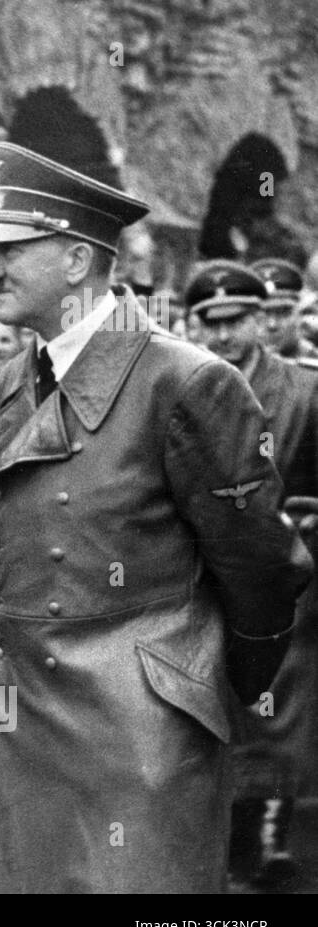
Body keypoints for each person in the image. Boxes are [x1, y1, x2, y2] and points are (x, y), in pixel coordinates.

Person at [0, 141, 311, 892]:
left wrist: (193, 688)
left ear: (76, 262)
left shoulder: (186, 383)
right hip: (25, 723)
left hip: (138, 740)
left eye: (10, 250)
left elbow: (264, 567)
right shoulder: (12, 384)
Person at [185, 260, 318, 888]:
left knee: (276, 706)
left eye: (235, 320)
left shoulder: (303, 390)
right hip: (198, 574)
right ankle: (210, 839)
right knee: (207, 706)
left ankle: (264, 842)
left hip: (280, 575)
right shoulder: (177, 384)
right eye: (207, 323)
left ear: (262, 319)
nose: (221, 336)